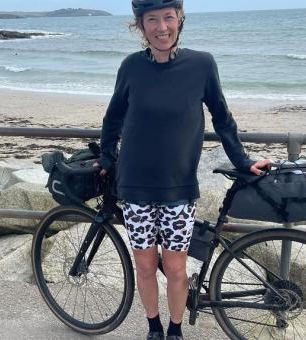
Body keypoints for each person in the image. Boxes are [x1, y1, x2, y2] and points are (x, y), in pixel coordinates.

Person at [97, 1, 270, 339]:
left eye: (168, 18)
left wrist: (243, 160)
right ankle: (153, 328)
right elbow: (113, 117)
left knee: (176, 268)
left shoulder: (202, 64)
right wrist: (106, 158)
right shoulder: (131, 67)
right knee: (145, 266)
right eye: (152, 20)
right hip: (134, 185)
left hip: (178, 187)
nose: (162, 27)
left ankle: (175, 329)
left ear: (179, 20)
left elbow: (222, 117)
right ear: (140, 26)